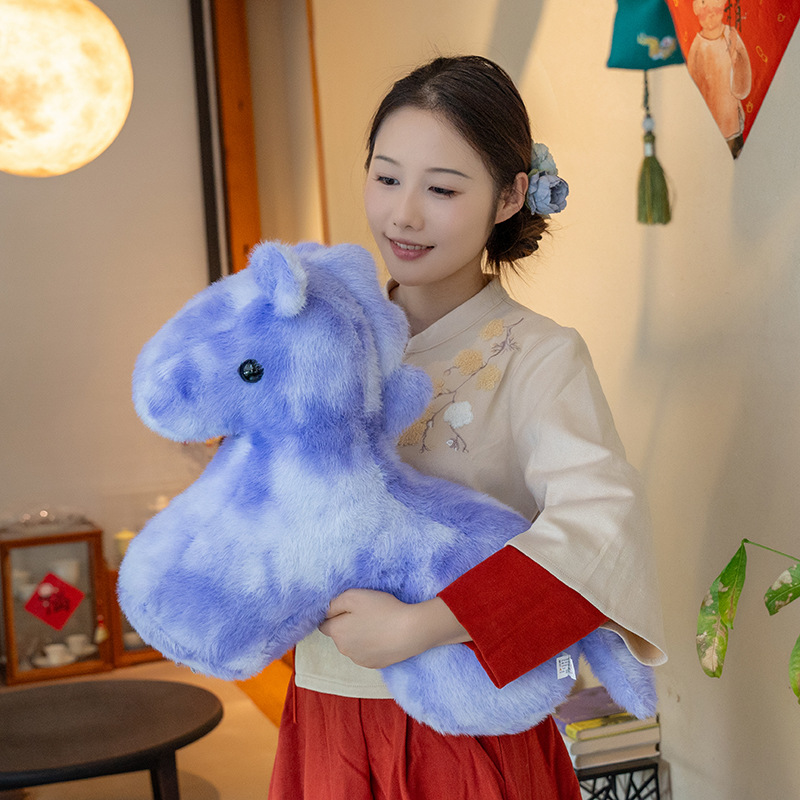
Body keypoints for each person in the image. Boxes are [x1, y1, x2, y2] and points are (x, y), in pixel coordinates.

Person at [268, 55, 666, 800]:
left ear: (509, 195)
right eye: (387, 178)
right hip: (326, 715)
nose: (403, 215)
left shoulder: (541, 355)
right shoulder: (318, 339)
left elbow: (601, 530)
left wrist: (420, 626)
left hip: (465, 735)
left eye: (443, 189)